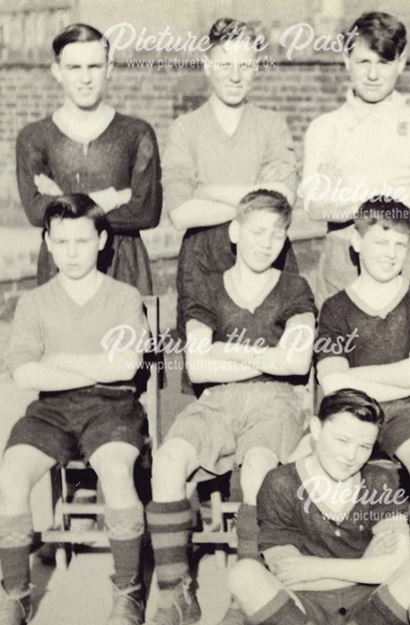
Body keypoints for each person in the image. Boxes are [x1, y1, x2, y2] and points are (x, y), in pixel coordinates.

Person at [141, 190, 315, 625]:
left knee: (258, 467)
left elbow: (297, 364)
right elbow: (197, 365)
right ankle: (175, 592)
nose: (267, 242)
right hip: (216, 400)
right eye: (258, 231)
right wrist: (267, 352)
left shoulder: (294, 287)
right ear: (235, 232)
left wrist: (227, 349)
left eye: (278, 235)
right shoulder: (208, 289)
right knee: (168, 460)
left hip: (276, 400)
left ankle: (246, 598)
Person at [0, 195, 149, 625]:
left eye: (82, 240)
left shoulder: (123, 296)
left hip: (112, 406)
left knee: (117, 470)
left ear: (101, 240)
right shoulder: (35, 303)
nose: (72, 252)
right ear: (47, 243)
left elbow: (125, 368)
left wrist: (59, 359)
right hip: (51, 410)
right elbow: (23, 372)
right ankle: (16, 594)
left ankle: (128, 590)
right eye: (61, 242)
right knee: (11, 475)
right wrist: (94, 361)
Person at [227, 389, 410, 625]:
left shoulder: (380, 481)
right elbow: (286, 572)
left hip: (368, 616)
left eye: (364, 446)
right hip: (302, 612)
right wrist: (366, 565)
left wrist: (315, 568)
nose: (350, 455)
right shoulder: (281, 482)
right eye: (342, 440)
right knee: (243, 575)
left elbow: (397, 563)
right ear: (316, 429)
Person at [163, 17, 298, 390]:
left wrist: (206, 190)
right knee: (207, 368)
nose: (235, 75)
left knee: (271, 363)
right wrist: (255, 195)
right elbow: (180, 212)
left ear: (256, 66)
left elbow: (283, 199)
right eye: (225, 63)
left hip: (267, 251)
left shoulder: (271, 124)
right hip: (204, 259)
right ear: (208, 65)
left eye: (245, 63)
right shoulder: (185, 129)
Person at [315, 197, 410, 563]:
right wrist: (400, 375)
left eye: (400, 245)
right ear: (356, 243)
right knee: (349, 476)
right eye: (380, 242)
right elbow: (332, 386)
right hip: (352, 413)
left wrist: (353, 376)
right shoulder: (336, 308)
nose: (390, 254)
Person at [299, 11, 410, 302]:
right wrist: (397, 195)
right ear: (346, 60)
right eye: (363, 61)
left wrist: (350, 199)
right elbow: (315, 206)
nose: (373, 74)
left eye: (384, 62)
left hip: (406, 255)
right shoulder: (325, 128)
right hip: (343, 259)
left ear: (401, 62)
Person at [16, 23, 161, 294]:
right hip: (61, 268)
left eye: (94, 66)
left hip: (124, 268)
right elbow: (37, 212)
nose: (85, 78)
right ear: (57, 72)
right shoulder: (34, 137)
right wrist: (112, 198)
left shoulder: (136, 133)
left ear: (110, 69)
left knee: (129, 335)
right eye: (74, 68)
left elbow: (146, 212)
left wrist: (64, 199)